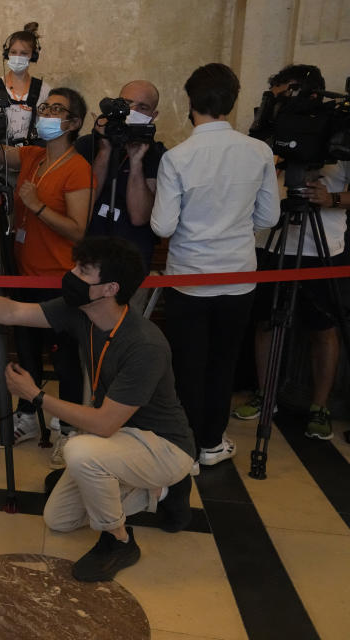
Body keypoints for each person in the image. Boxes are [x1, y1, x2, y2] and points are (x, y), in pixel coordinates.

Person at [0, 236, 196, 582]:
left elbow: (105, 423)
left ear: (110, 288)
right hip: (123, 435)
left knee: (79, 451)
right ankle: (161, 493)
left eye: (83, 271)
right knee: (58, 519)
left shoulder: (144, 344)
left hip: (163, 445)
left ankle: (120, 540)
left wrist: (36, 396)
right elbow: (14, 311)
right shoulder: (83, 312)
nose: (71, 274)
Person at [151, 63, 280, 466]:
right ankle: (211, 443)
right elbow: (269, 218)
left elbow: (163, 225)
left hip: (189, 277)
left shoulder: (178, 157)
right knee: (223, 363)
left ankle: (186, 447)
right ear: (232, 102)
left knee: (188, 364)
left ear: (191, 103)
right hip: (239, 274)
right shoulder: (258, 151)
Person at [232, 65, 350, 440]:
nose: (279, 103)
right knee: (265, 321)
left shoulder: (339, 131)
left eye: (285, 95)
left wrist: (330, 198)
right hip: (272, 240)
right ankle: (265, 395)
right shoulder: (271, 130)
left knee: (323, 329)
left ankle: (319, 406)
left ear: (308, 94)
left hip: (323, 246)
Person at [0, 88, 93, 467]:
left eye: (57, 109)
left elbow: (78, 230)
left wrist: (36, 206)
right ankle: (27, 415)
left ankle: (68, 429)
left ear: (73, 123)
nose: (48, 114)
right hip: (25, 276)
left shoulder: (77, 167)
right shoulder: (33, 157)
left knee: (65, 360)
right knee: (27, 352)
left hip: (60, 280)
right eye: (45, 107)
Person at [75, 80, 166, 275]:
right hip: (89, 255)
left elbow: (139, 216)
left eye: (143, 107)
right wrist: (105, 151)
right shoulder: (87, 145)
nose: (133, 110)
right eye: (127, 103)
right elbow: (84, 204)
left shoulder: (156, 154)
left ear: (153, 116)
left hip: (132, 261)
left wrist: (136, 163)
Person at [1, 22, 50, 147]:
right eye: (13, 52)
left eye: (24, 53)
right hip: (2, 157)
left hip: (33, 157)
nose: (18, 57)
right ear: (7, 54)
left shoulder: (44, 90)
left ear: (33, 56)